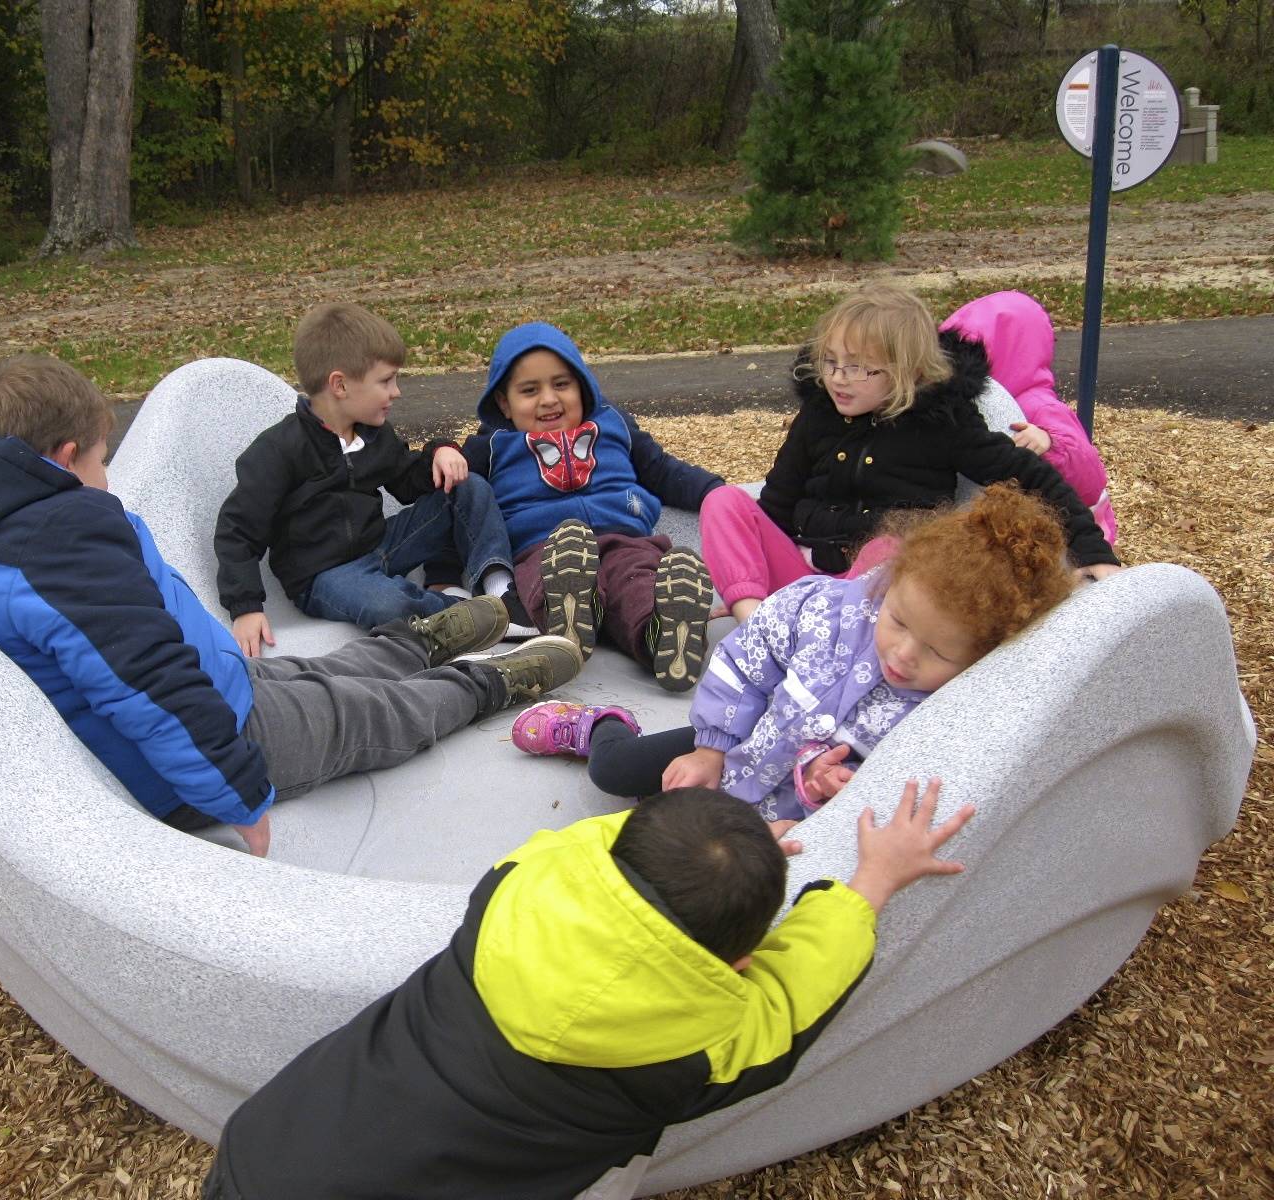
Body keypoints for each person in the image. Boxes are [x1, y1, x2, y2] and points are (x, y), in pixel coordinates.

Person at [0, 354, 583, 857]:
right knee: (372, 715)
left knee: (326, 673)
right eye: (99, 460)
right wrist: (237, 792)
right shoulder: (55, 542)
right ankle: (490, 680)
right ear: (62, 457)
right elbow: (142, 677)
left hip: (213, 686)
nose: (105, 476)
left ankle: (423, 638)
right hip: (219, 741)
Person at [201, 780, 976, 1200]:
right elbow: (796, 993)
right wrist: (873, 878)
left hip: (265, 1155)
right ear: (739, 964)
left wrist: (712, 845)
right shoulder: (697, 1054)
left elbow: (587, 849)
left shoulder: (511, 886)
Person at [515, 485, 1074, 838]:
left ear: (980, 654)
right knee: (613, 772)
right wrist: (711, 749)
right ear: (892, 584)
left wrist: (833, 796)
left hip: (772, 819)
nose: (904, 655)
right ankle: (602, 725)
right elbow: (745, 661)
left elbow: (905, 795)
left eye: (938, 651)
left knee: (674, 856)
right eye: (899, 621)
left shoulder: (950, 710)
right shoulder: (829, 610)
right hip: (737, 742)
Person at [698, 283, 1121, 625]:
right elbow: (777, 505)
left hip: (875, 597)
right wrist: (747, 575)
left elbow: (1034, 478)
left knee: (890, 547)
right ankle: (754, 622)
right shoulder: (819, 414)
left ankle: (811, 633)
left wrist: (1095, 554)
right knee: (723, 500)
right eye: (829, 361)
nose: (838, 379)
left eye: (859, 367)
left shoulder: (943, 423)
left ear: (907, 372)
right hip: (801, 575)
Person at [215, 302, 516, 658]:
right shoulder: (279, 450)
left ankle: (501, 593)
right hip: (325, 578)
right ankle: (461, 613)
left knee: (467, 484)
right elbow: (238, 529)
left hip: (382, 547)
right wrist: (245, 606)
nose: (396, 391)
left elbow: (407, 482)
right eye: (386, 380)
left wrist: (440, 452)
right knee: (386, 605)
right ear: (340, 385)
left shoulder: (374, 434)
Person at [459, 321, 726, 692]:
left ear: (583, 386)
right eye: (530, 390)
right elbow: (459, 502)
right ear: (504, 402)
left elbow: (661, 470)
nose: (549, 399)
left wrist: (714, 492)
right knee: (543, 577)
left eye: (562, 384)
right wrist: (442, 452)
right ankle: (566, 612)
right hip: (545, 546)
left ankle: (663, 634)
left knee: (638, 583)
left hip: (625, 537)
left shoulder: (612, 424)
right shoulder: (492, 445)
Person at [940, 289, 1119, 543]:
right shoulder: (968, 405)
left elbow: (1089, 477)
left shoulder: (1038, 405)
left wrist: (1050, 442)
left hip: (1070, 534)